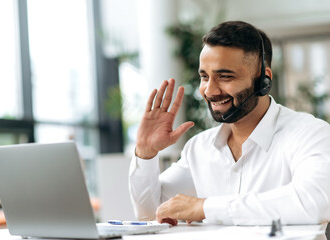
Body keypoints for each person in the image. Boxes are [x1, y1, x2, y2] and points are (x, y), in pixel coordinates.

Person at [129, 21, 330, 226]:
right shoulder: (199, 148)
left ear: (264, 79)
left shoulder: (311, 134)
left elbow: (314, 203)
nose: (209, 91)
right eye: (204, 77)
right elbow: (151, 213)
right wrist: (146, 153)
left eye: (225, 76)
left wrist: (204, 208)